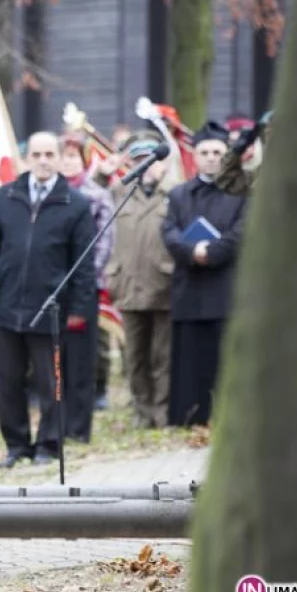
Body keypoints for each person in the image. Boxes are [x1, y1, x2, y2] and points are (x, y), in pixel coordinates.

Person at [0, 131, 98, 468]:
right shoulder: (7, 195)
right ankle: (16, 445)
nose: (43, 161)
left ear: (60, 158)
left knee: (50, 384)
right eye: (37, 154)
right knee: (8, 382)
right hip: (6, 309)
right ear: (26, 158)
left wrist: (78, 309)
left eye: (50, 154)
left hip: (50, 310)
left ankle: (48, 444)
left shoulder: (74, 204)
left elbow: (85, 265)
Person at [161, 121, 248, 427]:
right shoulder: (179, 195)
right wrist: (193, 251)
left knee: (225, 360)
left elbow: (241, 234)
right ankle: (190, 417)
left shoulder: (241, 194)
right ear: (194, 156)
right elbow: (169, 233)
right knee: (189, 361)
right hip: (190, 289)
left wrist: (210, 252)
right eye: (205, 152)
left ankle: (226, 419)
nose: (211, 157)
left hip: (225, 290)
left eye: (217, 152)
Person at [105, 130, 183, 428]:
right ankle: (142, 411)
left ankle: (162, 411)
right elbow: (91, 196)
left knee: (162, 355)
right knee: (134, 357)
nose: (146, 166)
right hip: (128, 283)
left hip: (163, 283)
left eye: (151, 160)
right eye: (139, 160)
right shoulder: (118, 194)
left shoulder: (175, 193)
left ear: (162, 164)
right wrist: (102, 174)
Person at [60, 131, 115, 411]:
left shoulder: (97, 194)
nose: (67, 162)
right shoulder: (50, 193)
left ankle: (97, 388)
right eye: (64, 156)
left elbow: (104, 241)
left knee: (94, 342)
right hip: (56, 283)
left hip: (88, 282)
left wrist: (84, 277)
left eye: (72, 156)